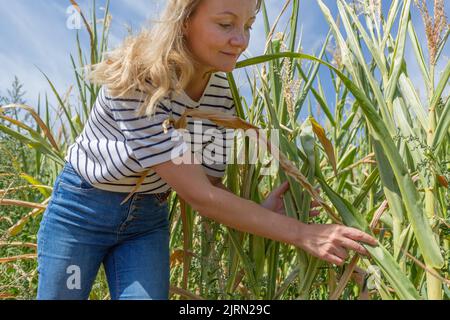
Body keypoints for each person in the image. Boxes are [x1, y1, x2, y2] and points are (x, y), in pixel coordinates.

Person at [36, 0, 378, 300]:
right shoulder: (137, 79)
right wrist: (303, 234)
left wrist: (266, 213)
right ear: (185, 20)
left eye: (247, 26)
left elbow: (210, 186)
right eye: (226, 24)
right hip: (81, 212)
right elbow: (199, 196)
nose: (241, 40)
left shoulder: (220, 95)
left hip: (145, 220)